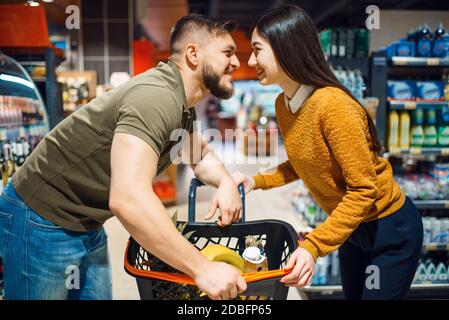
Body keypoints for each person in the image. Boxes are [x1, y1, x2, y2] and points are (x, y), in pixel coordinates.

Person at [0, 14, 247, 300]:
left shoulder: (182, 105)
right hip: (40, 218)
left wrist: (226, 182)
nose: (237, 62)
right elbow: (128, 198)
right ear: (193, 54)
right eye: (227, 53)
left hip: (86, 222)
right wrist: (201, 268)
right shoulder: (156, 97)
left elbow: (199, 156)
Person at [232, 5, 423, 300]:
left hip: (389, 229)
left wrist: (313, 245)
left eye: (257, 50)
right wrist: (254, 181)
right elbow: (302, 162)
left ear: (286, 47)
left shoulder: (333, 107)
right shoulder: (285, 105)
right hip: (350, 227)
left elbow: (363, 190)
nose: (250, 59)